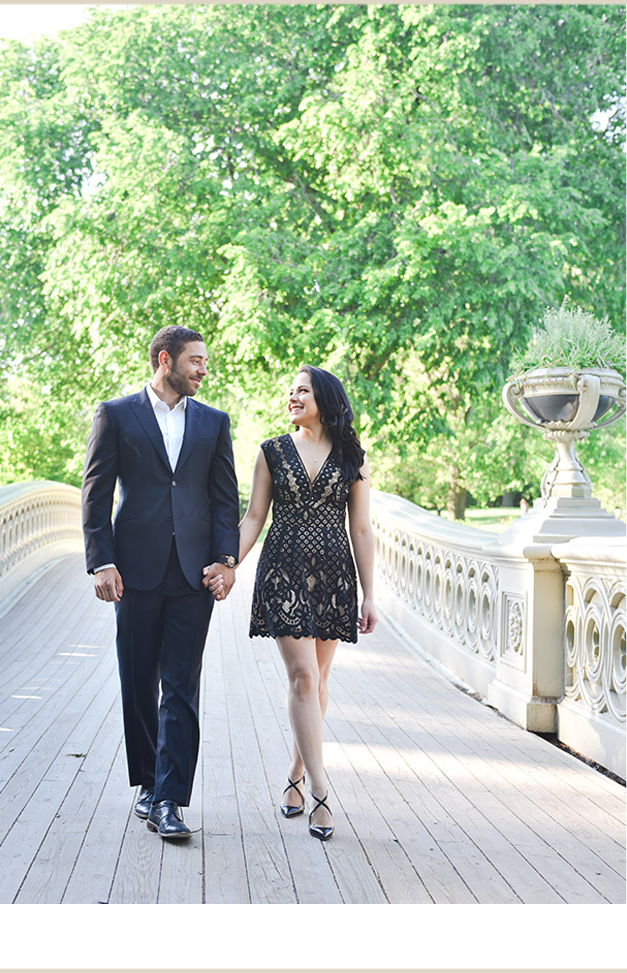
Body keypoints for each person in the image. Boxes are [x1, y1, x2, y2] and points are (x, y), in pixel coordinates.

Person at [81, 326, 240, 839]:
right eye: (195, 360)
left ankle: (169, 798)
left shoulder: (214, 423)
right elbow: (95, 490)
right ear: (164, 359)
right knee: (137, 679)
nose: (203, 369)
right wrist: (101, 562)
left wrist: (226, 559)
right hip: (134, 570)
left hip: (194, 575)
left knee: (181, 686)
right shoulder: (117, 414)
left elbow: (224, 499)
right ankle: (147, 781)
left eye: (206, 361)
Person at [208, 366, 377, 841]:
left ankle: (296, 774)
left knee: (319, 680)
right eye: (290, 391)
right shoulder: (272, 452)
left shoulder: (352, 457)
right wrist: (228, 563)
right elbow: (254, 517)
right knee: (303, 676)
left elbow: (361, 529)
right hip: (283, 571)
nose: (293, 396)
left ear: (324, 397)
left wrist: (370, 594)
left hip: (333, 576)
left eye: (302, 390)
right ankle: (322, 790)